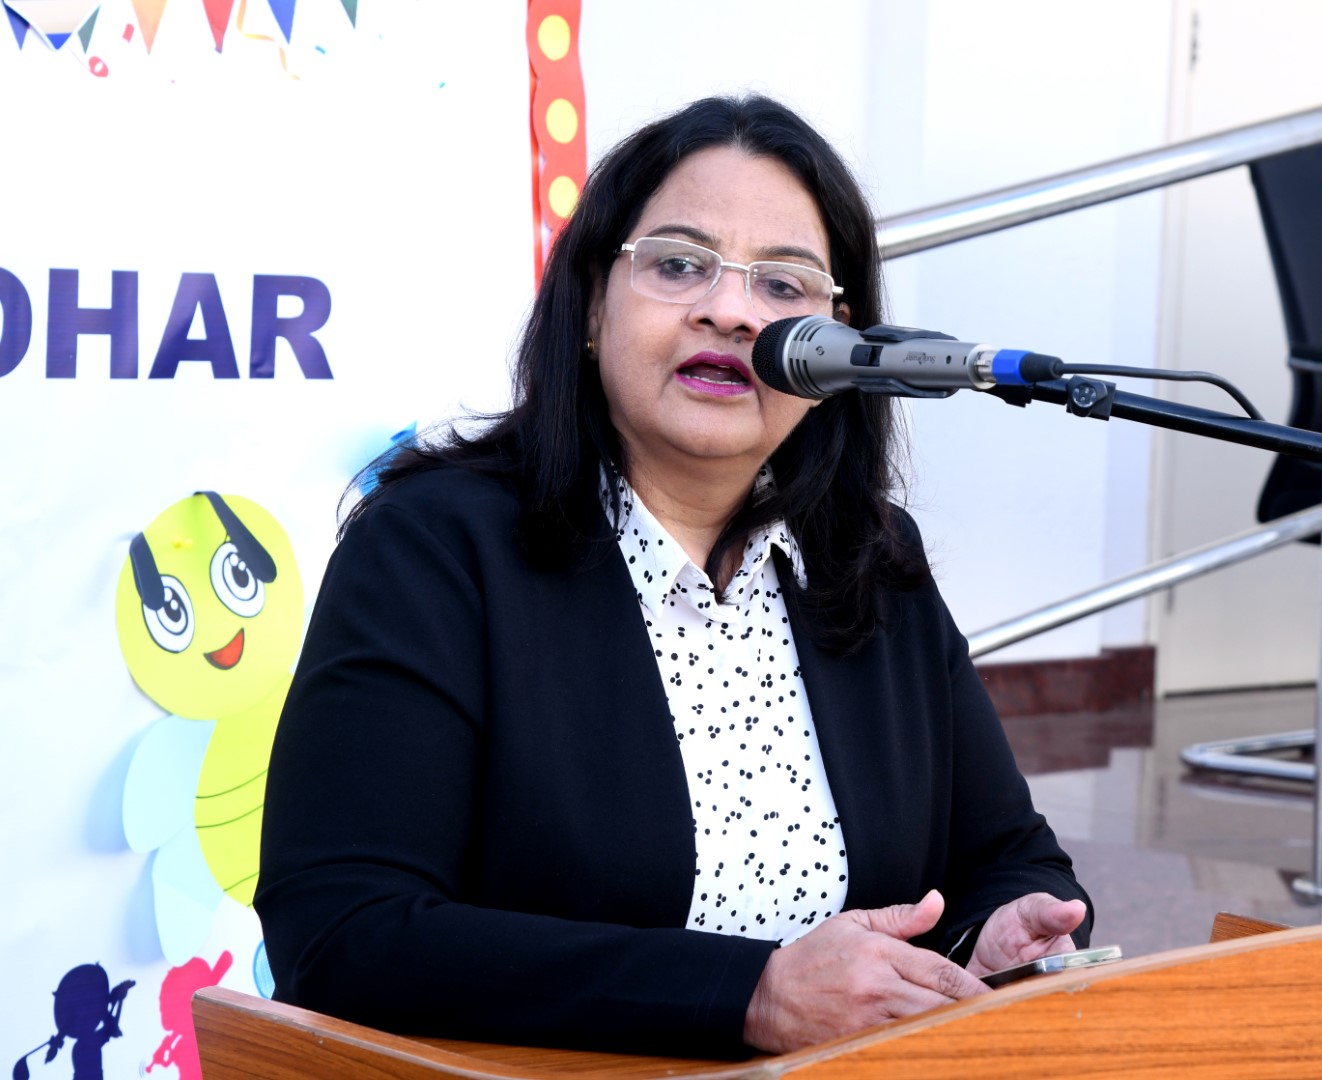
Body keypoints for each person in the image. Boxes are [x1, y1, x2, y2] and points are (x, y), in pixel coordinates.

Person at [254, 94, 1092, 1060]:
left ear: (837, 349)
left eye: (782, 285)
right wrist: (746, 996)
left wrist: (984, 941)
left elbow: (1009, 859)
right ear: (591, 305)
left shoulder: (870, 559)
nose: (729, 311)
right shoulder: (434, 548)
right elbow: (342, 930)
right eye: (679, 265)